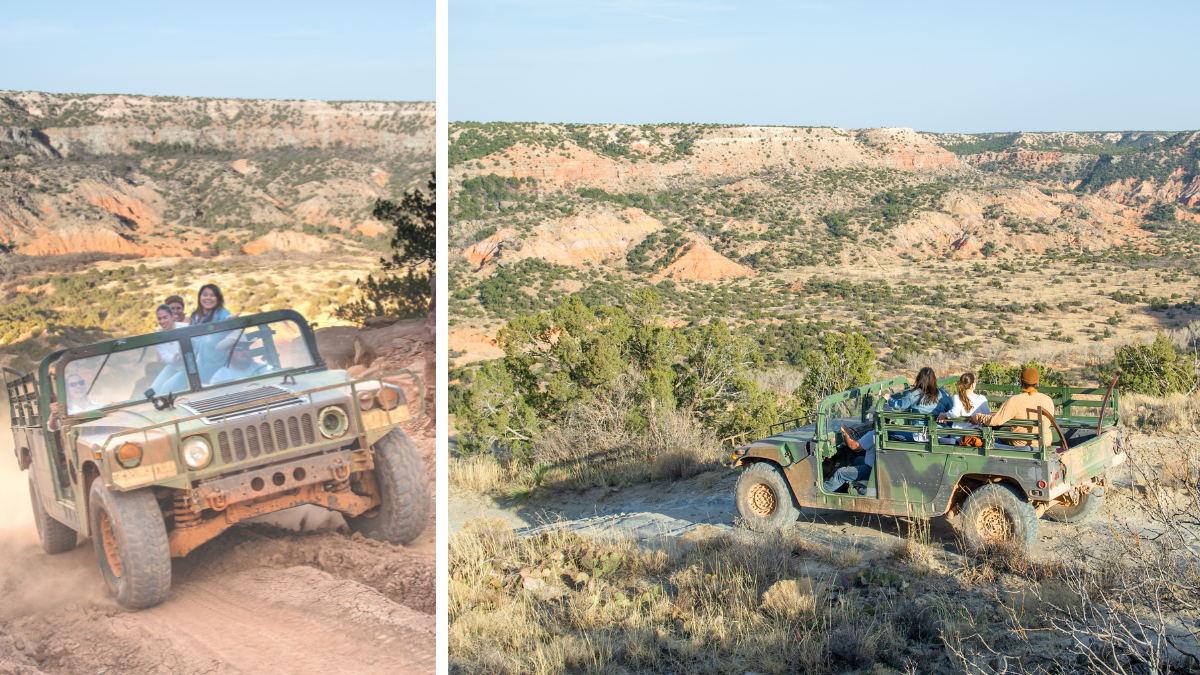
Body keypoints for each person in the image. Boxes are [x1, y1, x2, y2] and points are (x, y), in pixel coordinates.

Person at [827, 367, 952, 493]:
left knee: (888, 433)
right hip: (941, 433)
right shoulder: (944, 394)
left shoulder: (916, 394)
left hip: (920, 435)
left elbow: (899, 405)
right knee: (860, 459)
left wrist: (888, 398)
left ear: (919, 380)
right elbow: (951, 410)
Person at [970, 367, 1056, 447]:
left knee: (1001, 430)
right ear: (1037, 383)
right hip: (1045, 441)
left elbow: (995, 421)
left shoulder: (1015, 400)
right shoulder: (1048, 400)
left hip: (1021, 442)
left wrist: (978, 417)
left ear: (1021, 382)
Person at [189, 284, 235, 382]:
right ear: (199, 297)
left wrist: (233, 320)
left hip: (213, 366)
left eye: (212, 295)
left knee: (177, 385)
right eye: (205, 295)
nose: (208, 298)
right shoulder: (195, 316)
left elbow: (230, 320)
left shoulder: (221, 313)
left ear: (218, 298)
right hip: (195, 365)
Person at [937, 371, 991, 445]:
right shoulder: (982, 399)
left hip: (959, 435)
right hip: (977, 435)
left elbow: (955, 413)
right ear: (972, 385)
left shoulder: (957, 397)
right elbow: (988, 416)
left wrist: (944, 414)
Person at [149, 304, 190, 396]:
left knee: (166, 389)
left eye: (165, 317)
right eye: (159, 319)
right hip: (172, 367)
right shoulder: (158, 334)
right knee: (152, 392)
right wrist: (173, 359)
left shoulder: (185, 327)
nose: (162, 321)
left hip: (187, 368)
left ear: (172, 316)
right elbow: (164, 355)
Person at [207, 334, 272, 385]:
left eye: (246, 348)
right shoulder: (219, 378)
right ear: (229, 352)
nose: (244, 351)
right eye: (239, 348)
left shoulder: (263, 369)